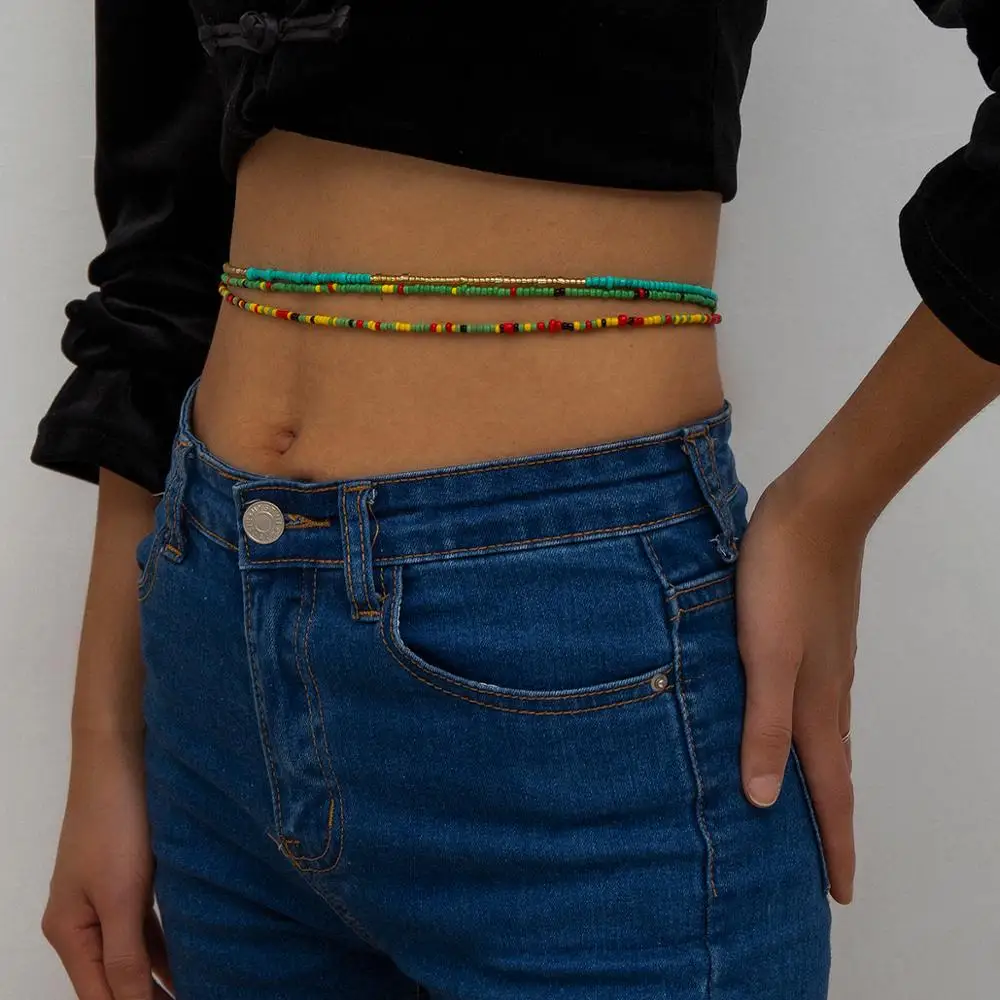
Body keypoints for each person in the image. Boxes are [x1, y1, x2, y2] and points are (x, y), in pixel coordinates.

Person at [33, 1, 999, 998]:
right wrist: (105, 737)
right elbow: (160, 256)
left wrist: (827, 512)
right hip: (214, 683)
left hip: (577, 674)